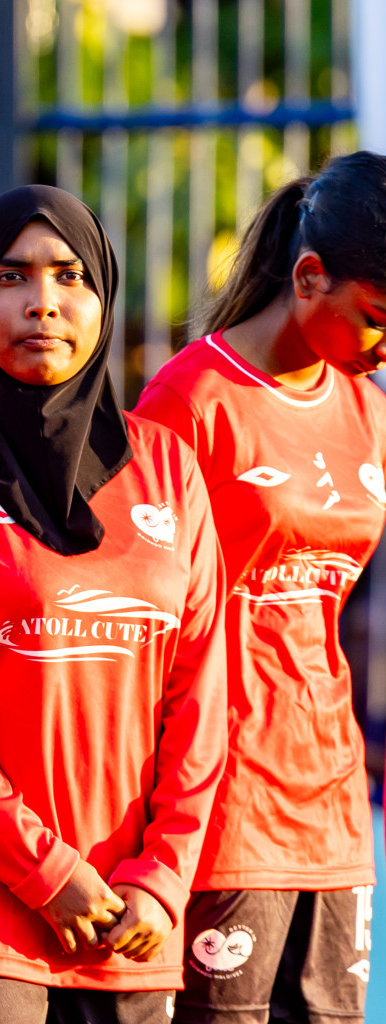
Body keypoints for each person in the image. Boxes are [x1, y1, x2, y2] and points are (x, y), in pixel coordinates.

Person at [0, 185, 228, 1021]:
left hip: (127, 925)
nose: (42, 303)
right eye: (9, 276)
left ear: (102, 294)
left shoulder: (168, 467)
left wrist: (163, 877)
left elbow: (202, 696)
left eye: (68, 276)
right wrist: (44, 871)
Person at [135, 152, 386, 1023]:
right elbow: (146, 625)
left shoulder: (369, 410)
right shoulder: (189, 401)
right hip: (225, 813)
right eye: (377, 318)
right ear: (309, 277)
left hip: (336, 813)